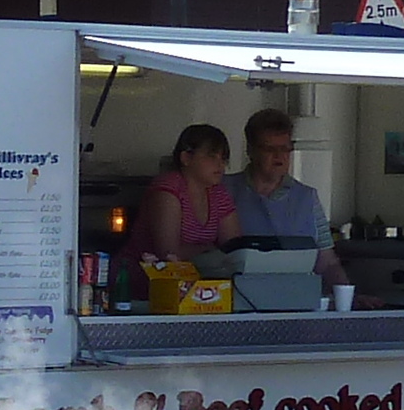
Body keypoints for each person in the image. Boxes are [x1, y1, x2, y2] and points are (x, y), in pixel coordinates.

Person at [224, 107, 348, 288]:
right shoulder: (223, 190)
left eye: (285, 149)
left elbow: (327, 262)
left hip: (296, 300)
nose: (279, 156)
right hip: (236, 301)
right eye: (270, 149)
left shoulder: (308, 198)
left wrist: (349, 297)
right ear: (250, 150)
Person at [132, 124, 237, 267]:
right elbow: (168, 254)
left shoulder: (218, 193)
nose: (220, 164)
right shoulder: (167, 190)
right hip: (146, 280)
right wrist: (211, 249)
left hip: (199, 283)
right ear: (186, 158)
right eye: (211, 156)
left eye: (223, 158)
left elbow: (235, 248)